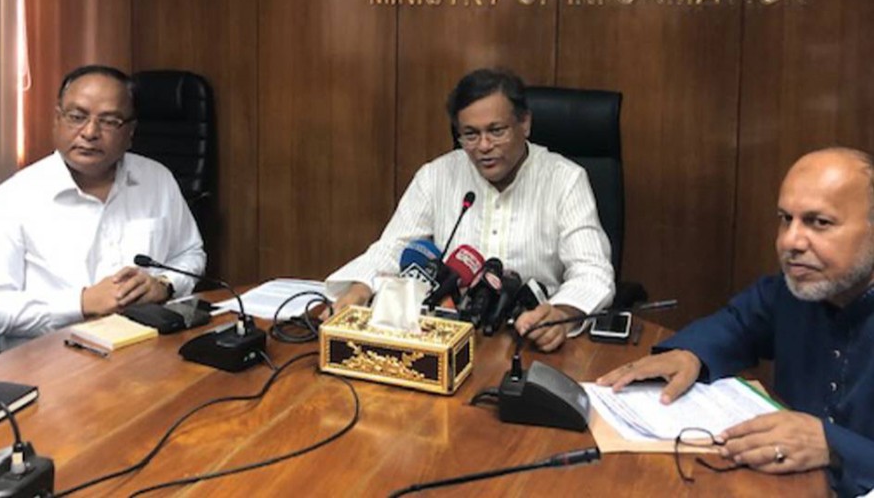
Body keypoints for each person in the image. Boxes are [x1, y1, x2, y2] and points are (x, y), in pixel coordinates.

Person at [597, 147, 874, 497]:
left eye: (820, 222)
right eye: (786, 219)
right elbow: (738, 324)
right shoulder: (793, 291)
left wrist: (834, 446)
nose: (791, 241)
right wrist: (689, 354)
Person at [325, 68, 615, 351]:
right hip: (445, 336)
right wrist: (360, 288)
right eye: (470, 135)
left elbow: (592, 270)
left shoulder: (565, 179)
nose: (484, 146)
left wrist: (562, 315)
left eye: (496, 131)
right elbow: (394, 247)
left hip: (529, 340)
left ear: (524, 123)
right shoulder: (436, 175)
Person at [0, 65, 207, 350]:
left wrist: (165, 284)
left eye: (109, 121)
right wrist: (81, 303)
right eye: (77, 117)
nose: (90, 132)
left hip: (147, 356)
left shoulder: (157, 180)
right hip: (52, 367)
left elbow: (190, 253)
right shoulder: (10, 201)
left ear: (130, 132)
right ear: (57, 120)